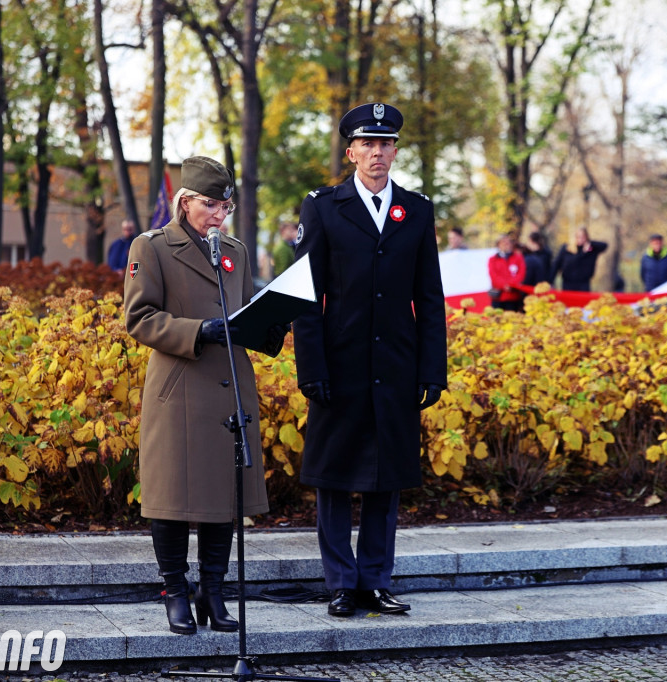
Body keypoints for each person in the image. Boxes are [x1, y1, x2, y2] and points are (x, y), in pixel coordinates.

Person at [292, 102, 447, 619]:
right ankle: (340, 582)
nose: (378, 153)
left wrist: (432, 369)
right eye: (368, 144)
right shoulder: (323, 207)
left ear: (396, 150)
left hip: (397, 366)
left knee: (387, 476)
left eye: (386, 144)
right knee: (334, 477)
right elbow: (305, 293)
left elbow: (429, 296)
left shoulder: (417, 209)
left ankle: (376, 580)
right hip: (339, 362)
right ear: (351, 151)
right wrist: (310, 368)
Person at [123, 155, 287, 635]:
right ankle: (176, 591)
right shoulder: (151, 247)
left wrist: (274, 322)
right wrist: (200, 330)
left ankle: (212, 593)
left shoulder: (232, 251)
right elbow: (139, 317)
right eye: (210, 205)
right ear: (185, 201)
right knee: (171, 498)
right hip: (179, 390)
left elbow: (244, 313)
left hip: (229, 387)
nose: (219, 214)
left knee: (224, 496)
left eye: (225, 206)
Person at [552, 227, 607, 291]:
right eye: (578, 237)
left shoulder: (591, 249)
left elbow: (604, 246)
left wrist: (590, 243)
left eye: (583, 237)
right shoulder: (566, 248)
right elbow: (558, 264)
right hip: (568, 284)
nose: (580, 239)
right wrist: (551, 281)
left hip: (584, 284)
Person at [488, 233, 527, 312]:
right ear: (498, 244)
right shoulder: (493, 259)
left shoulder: (518, 258)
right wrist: (503, 285)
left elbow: (521, 274)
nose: (506, 245)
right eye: (503, 242)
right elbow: (493, 275)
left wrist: (511, 285)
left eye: (508, 242)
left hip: (513, 296)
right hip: (498, 297)